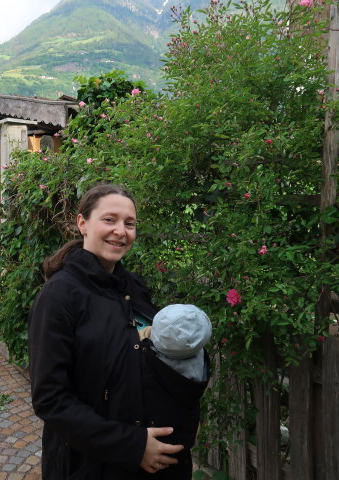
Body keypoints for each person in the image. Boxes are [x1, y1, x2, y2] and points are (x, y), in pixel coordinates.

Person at [28, 184, 184, 479]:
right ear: (83, 224)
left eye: (130, 223)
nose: (121, 231)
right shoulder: (60, 296)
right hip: (88, 465)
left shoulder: (134, 289)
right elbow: (50, 398)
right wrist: (133, 446)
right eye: (109, 220)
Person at [138, 304, 212, 479]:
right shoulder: (199, 360)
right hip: (181, 439)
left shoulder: (151, 361)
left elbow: (142, 348)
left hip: (153, 440)